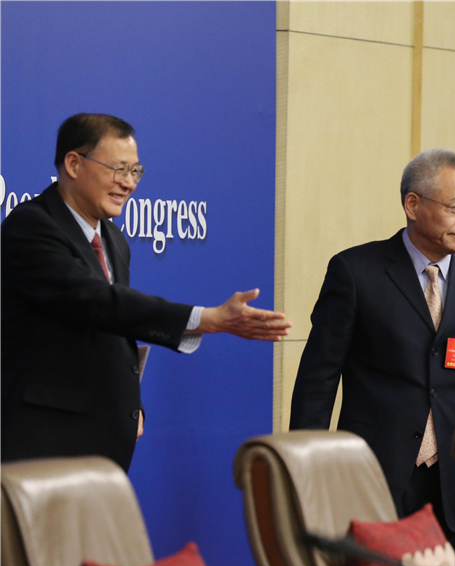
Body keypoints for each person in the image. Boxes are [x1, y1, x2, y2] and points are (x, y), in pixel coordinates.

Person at [1, 113, 291, 473]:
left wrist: (130, 404)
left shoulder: (115, 241)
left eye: (135, 172)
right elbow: (96, 302)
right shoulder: (30, 226)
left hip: (102, 441)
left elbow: (111, 329)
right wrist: (207, 319)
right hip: (43, 445)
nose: (128, 183)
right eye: (118, 169)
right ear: (74, 164)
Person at [290, 149, 455, 549]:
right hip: (371, 473)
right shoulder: (356, 272)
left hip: (451, 480)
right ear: (412, 205)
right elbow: (318, 378)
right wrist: (308, 467)